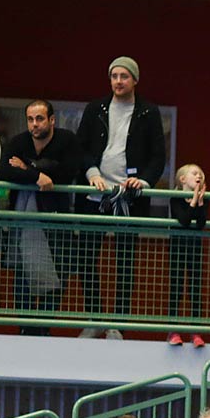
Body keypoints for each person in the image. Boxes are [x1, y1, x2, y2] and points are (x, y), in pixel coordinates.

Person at [76, 56, 166, 331]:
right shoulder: (96, 108)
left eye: (124, 76)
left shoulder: (148, 112)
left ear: (135, 80)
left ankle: (118, 323)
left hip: (130, 197)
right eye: (114, 76)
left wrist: (144, 181)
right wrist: (91, 173)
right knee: (87, 257)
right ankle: (94, 320)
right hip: (95, 194)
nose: (118, 81)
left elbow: (158, 156)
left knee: (125, 260)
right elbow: (80, 148)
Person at [0, 99, 82, 328]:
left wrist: (27, 167)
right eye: (30, 119)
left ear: (52, 120)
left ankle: (43, 327)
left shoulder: (67, 140)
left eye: (40, 119)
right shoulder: (19, 141)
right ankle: (25, 327)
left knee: (57, 274)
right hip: (24, 220)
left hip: (55, 219)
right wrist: (36, 177)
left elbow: (67, 172)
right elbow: (4, 170)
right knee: (23, 272)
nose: (34, 124)